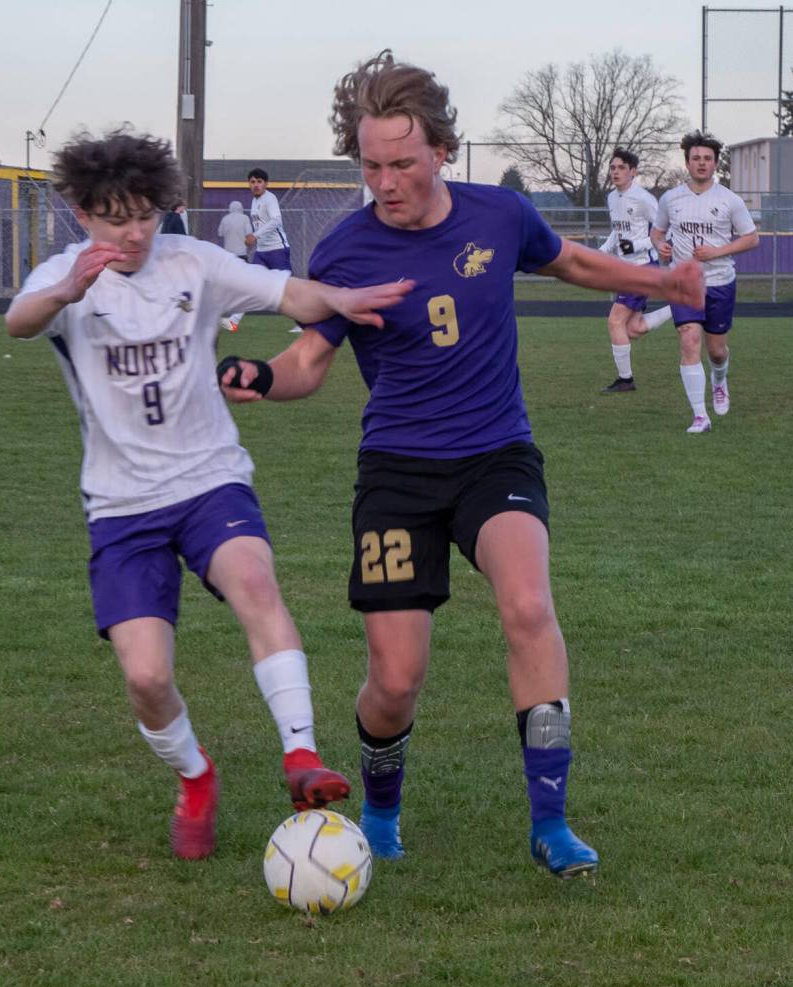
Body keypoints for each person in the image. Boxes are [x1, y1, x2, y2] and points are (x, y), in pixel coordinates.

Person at [218, 52, 704, 878]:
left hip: (495, 455)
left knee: (528, 605)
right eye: (371, 166)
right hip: (397, 475)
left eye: (403, 164)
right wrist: (263, 377)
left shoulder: (499, 215)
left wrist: (661, 281)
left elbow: (573, 262)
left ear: (441, 151)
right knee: (395, 679)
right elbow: (308, 361)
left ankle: (550, 822)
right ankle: (381, 812)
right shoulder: (345, 250)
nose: (386, 183)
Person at [3, 130, 413, 861]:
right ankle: (195, 776)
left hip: (208, 478)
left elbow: (288, 293)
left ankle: (301, 755)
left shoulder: (193, 260)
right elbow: (18, 320)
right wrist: (66, 292)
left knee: (254, 579)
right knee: (146, 676)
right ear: (83, 212)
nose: (134, 233)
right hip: (121, 505)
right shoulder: (62, 278)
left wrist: (341, 298)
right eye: (115, 218)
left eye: (145, 215)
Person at [651, 131, 758, 433]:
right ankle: (700, 416)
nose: (701, 163)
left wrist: (716, 252)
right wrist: (660, 246)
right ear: (687, 163)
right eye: (696, 158)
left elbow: (751, 238)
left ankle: (719, 380)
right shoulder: (671, 199)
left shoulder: (729, 200)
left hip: (720, 282)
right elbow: (657, 232)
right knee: (689, 340)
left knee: (716, 351)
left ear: (715, 164)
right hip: (684, 282)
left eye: (707, 159)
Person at [598, 148, 673, 394]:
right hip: (626, 269)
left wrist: (637, 245)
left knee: (614, 321)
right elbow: (618, 231)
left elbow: (665, 231)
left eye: (621, 167)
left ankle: (625, 380)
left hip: (641, 268)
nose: (616, 172)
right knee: (633, 328)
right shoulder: (612, 198)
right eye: (613, 167)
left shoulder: (643, 198)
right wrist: (603, 250)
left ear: (633, 171)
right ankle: (679, 307)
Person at [218, 199, 254, 333]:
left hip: (228, 257)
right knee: (244, 287)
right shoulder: (245, 218)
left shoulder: (225, 219)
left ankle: (221, 312)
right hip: (241, 255)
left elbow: (220, 233)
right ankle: (234, 318)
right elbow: (249, 235)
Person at [246, 167, 291, 271]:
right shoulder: (254, 201)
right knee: (255, 278)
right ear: (249, 184)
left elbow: (276, 220)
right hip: (261, 250)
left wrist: (255, 235)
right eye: (252, 182)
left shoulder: (270, 198)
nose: (256, 185)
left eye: (259, 181)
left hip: (276, 249)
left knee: (284, 280)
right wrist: (252, 238)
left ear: (266, 184)